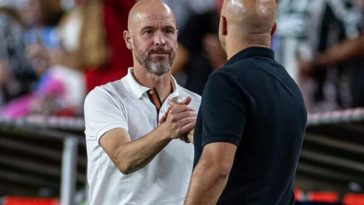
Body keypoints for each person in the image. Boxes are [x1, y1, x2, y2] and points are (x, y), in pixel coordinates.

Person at [184, 0, 307, 204]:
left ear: (223, 25)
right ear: (273, 29)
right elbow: (256, 149)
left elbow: (216, 169)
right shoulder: (290, 87)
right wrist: (198, 134)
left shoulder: (226, 81)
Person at [84, 0, 200, 204]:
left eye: (168, 31)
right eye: (148, 31)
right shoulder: (105, 98)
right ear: (129, 39)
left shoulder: (197, 104)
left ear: (177, 37)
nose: (160, 40)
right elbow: (123, 158)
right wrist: (167, 130)